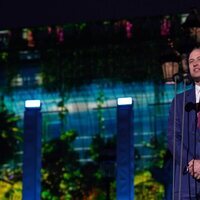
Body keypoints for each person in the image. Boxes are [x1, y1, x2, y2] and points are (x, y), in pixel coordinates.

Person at [168, 47, 200, 199]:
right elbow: (173, 138)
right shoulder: (179, 101)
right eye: (191, 61)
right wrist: (191, 162)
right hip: (187, 184)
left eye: (199, 59)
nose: (195, 64)